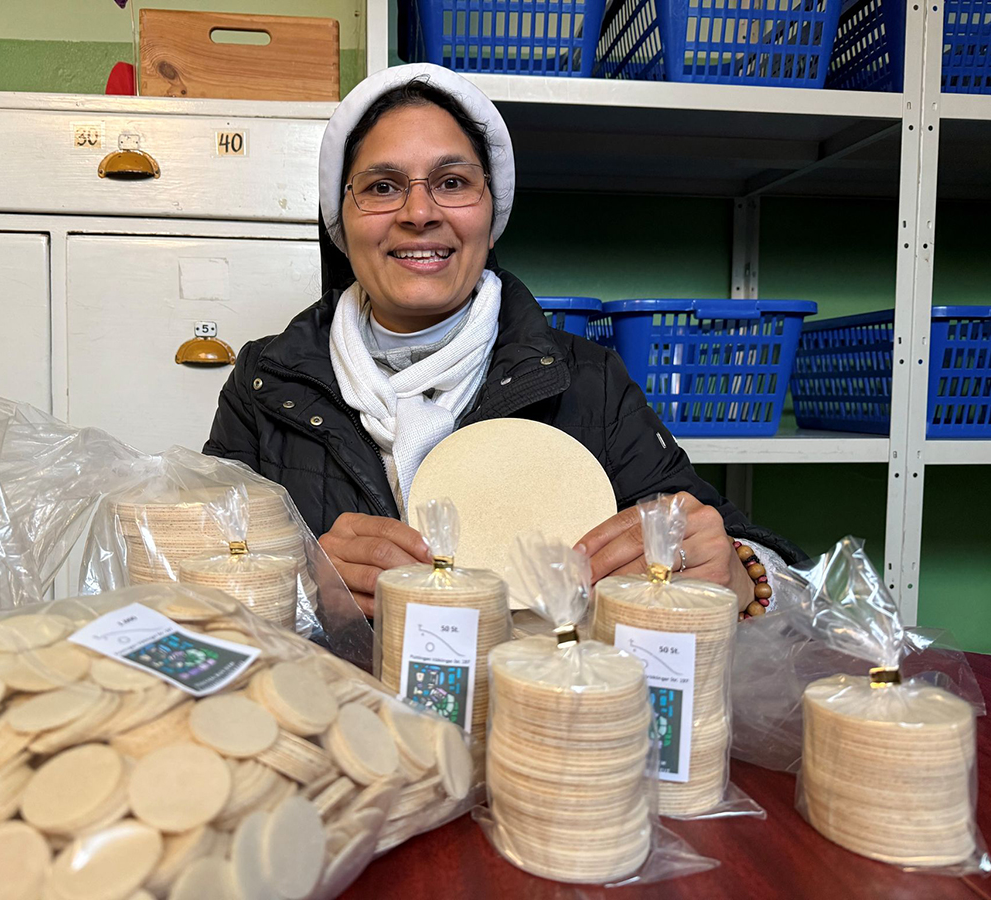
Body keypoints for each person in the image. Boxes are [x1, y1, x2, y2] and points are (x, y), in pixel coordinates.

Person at [204, 63, 801, 615]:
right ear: (340, 222)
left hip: (538, 714)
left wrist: (739, 571)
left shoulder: (589, 382)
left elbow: (742, 553)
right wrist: (305, 586)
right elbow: (195, 575)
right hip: (339, 717)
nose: (418, 212)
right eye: (383, 186)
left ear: (492, 215)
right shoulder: (267, 384)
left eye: (453, 181)